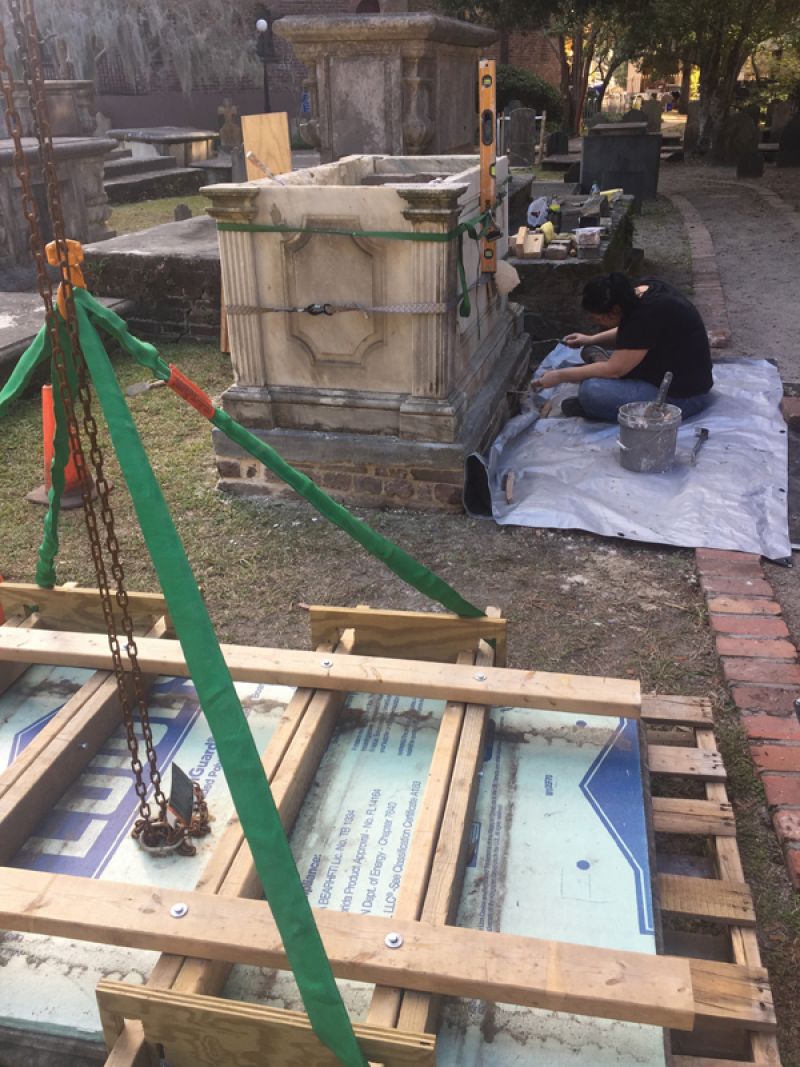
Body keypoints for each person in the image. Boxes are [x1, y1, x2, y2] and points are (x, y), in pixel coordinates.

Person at [533, 272, 714, 422]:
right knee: (592, 361)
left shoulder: (647, 315)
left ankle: (595, 407)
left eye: (597, 318)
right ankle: (601, 362)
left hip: (682, 398)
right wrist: (590, 339)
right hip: (661, 370)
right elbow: (632, 333)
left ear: (615, 311)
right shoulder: (643, 293)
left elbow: (615, 370)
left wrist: (558, 376)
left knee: (591, 391)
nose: (595, 322)